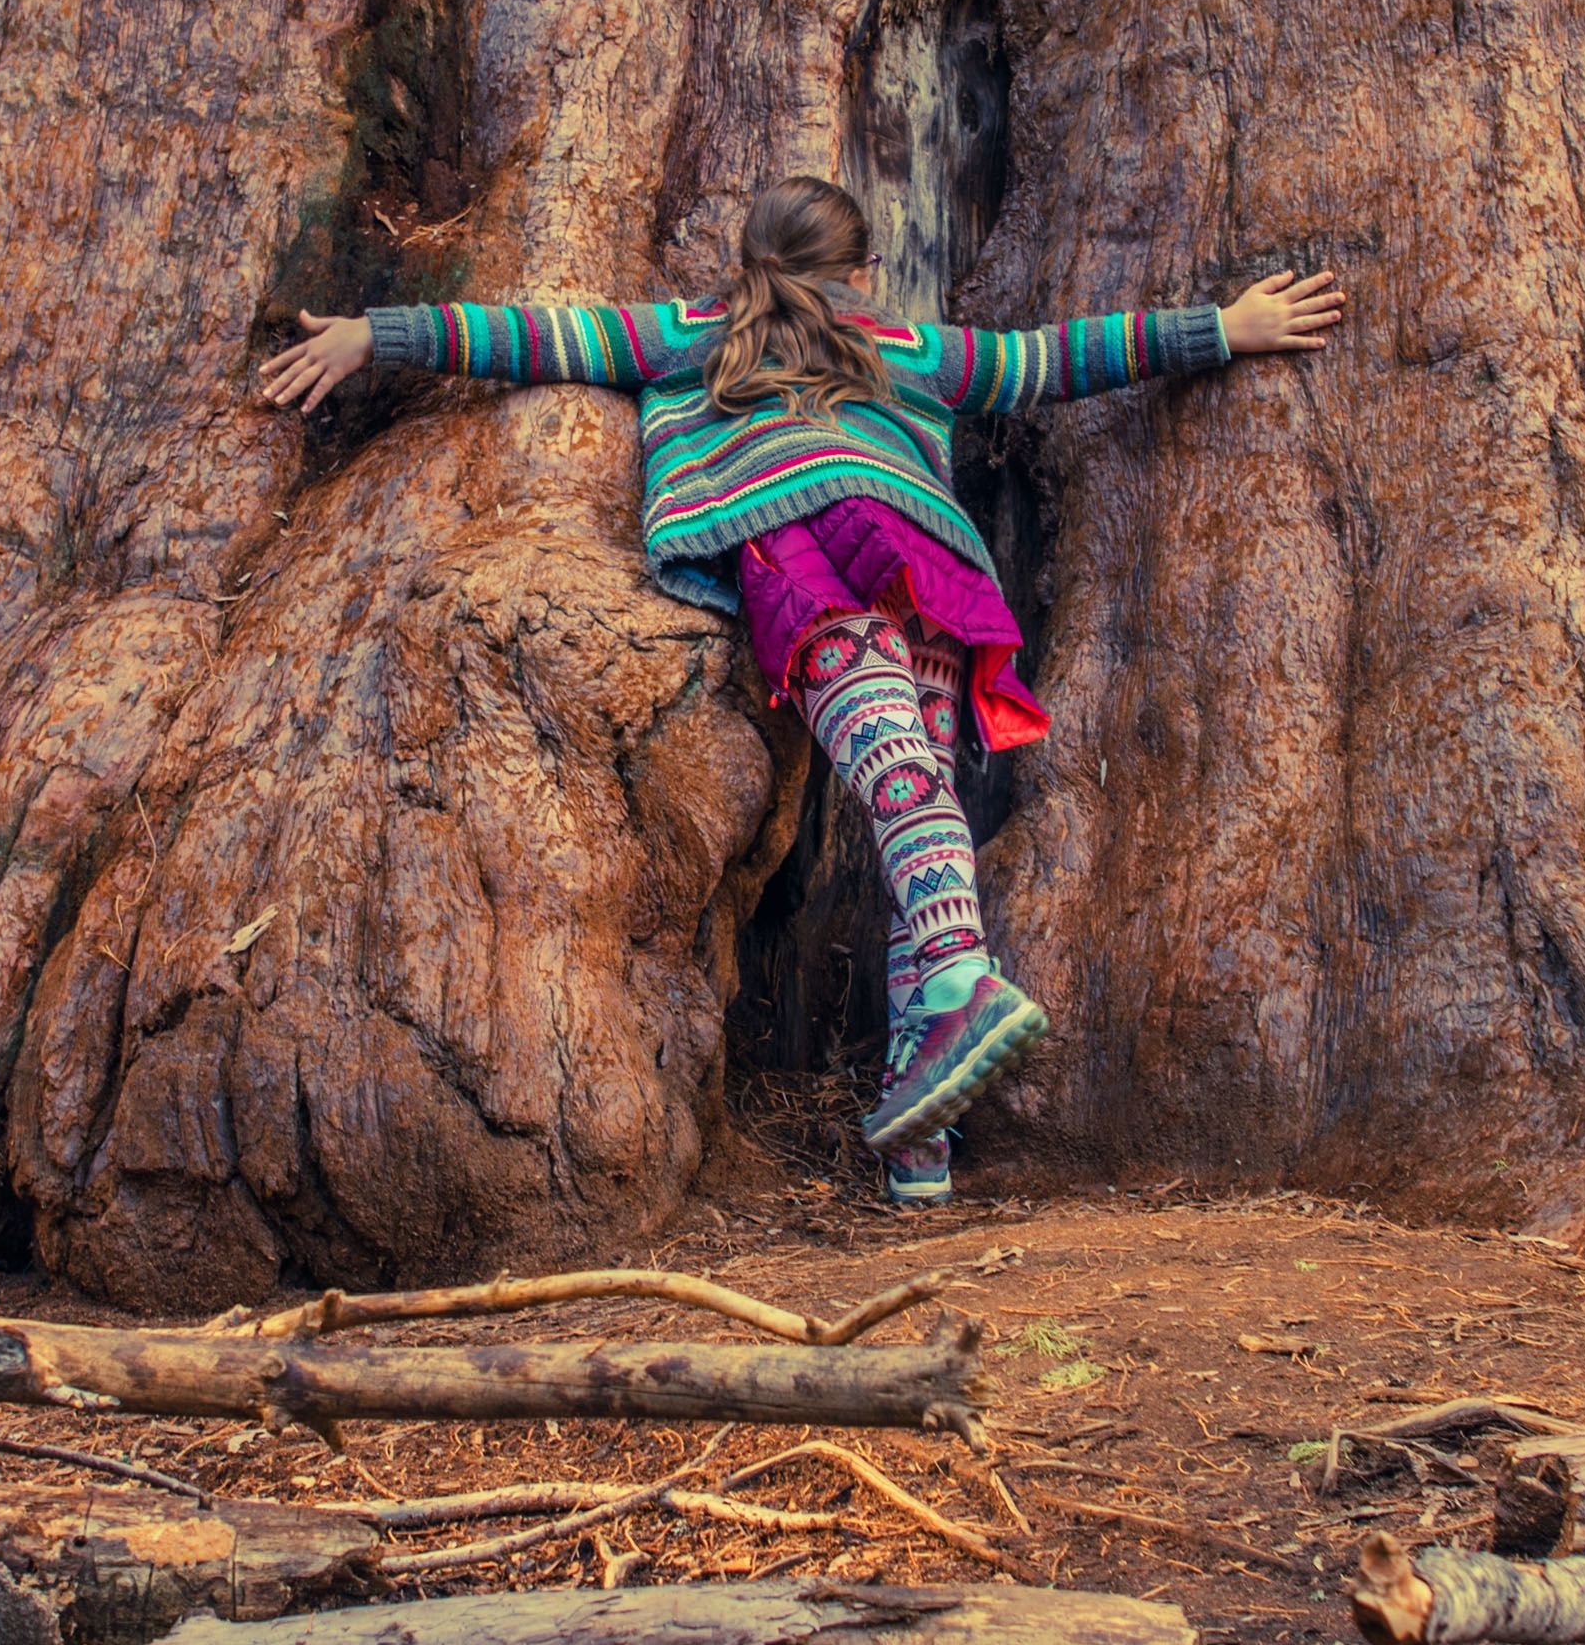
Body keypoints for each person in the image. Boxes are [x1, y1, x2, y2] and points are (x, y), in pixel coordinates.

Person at [258, 179, 1347, 1203]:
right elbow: (1050, 358)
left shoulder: (693, 337)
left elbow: (528, 335)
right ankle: (921, 1139)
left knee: (896, 787)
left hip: (803, 558)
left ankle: (964, 983)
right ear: (863, 270)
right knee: (924, 801)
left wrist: (373, 333)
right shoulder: (910, 349)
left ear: (745, 262)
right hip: (919, 555)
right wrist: (1223, 327)